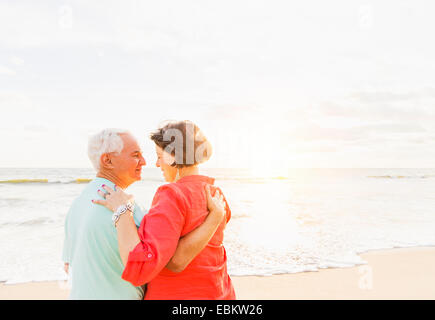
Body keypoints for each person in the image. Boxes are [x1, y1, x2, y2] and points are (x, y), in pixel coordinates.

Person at [62, 128, 226, 299]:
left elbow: (68, 265)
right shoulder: (128, 211)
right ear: (108, 160)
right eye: (135, 155)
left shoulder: (77, 205)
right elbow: (148, 265)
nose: (145, 161)